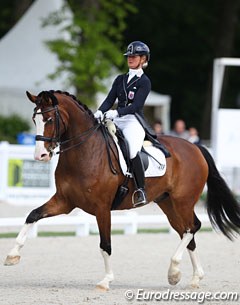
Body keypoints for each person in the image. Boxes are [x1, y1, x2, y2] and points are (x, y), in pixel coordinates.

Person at [94, 41, 151, 207]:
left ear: (143, 59)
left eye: (134, 56)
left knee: (132, 150)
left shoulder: (144, 82)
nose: (130, 59)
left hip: (134, 121)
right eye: (129, 56)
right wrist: (99, 111)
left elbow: (136, 106)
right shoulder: (120, 79)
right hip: (116, 119)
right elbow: (110, 99)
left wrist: (117, 112)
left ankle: (141, 189)